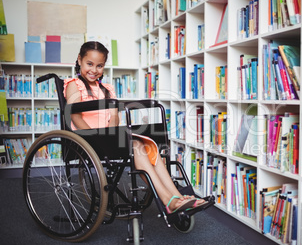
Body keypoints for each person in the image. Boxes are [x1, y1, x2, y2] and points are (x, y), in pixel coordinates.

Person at [64, 41, 205, 214]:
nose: (94, 70)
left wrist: (110, 133)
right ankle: (169, 201)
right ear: (79, 60)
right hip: (87, 138)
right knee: (137, 146)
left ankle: (177, 196)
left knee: (148, 145)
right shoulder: (73, 84)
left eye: (99, 65)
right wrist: (95, 135)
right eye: (89, 64)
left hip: (106, 137)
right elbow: (75, 115)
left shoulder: (107, 89)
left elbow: (115, 116)